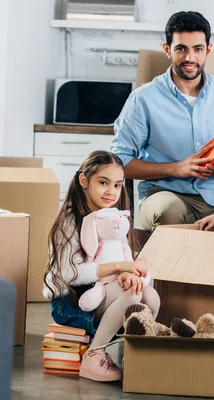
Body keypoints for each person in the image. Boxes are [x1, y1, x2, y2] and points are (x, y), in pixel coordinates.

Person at [110, 11, 214, 232]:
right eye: (181, 48)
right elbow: (120, 162)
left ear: (208, 50)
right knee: (167, 210)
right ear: (167, 49)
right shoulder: (144, 99)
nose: (190, 58)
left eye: (197, 49)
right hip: (164, 195)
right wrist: (175, 168)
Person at [43, 151, 161, 382]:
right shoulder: (70, 220)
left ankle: (135, 352)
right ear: (84, 181)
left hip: (103, 294)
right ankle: (94, 354)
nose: (111, 192)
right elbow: (68, 274)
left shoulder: (116, 219)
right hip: (71, 301)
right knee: (131, 294)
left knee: (150, 295)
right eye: (103, 182)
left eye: (117, 185)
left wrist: (131, 273)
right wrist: (119, 267)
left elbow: (129, 261)